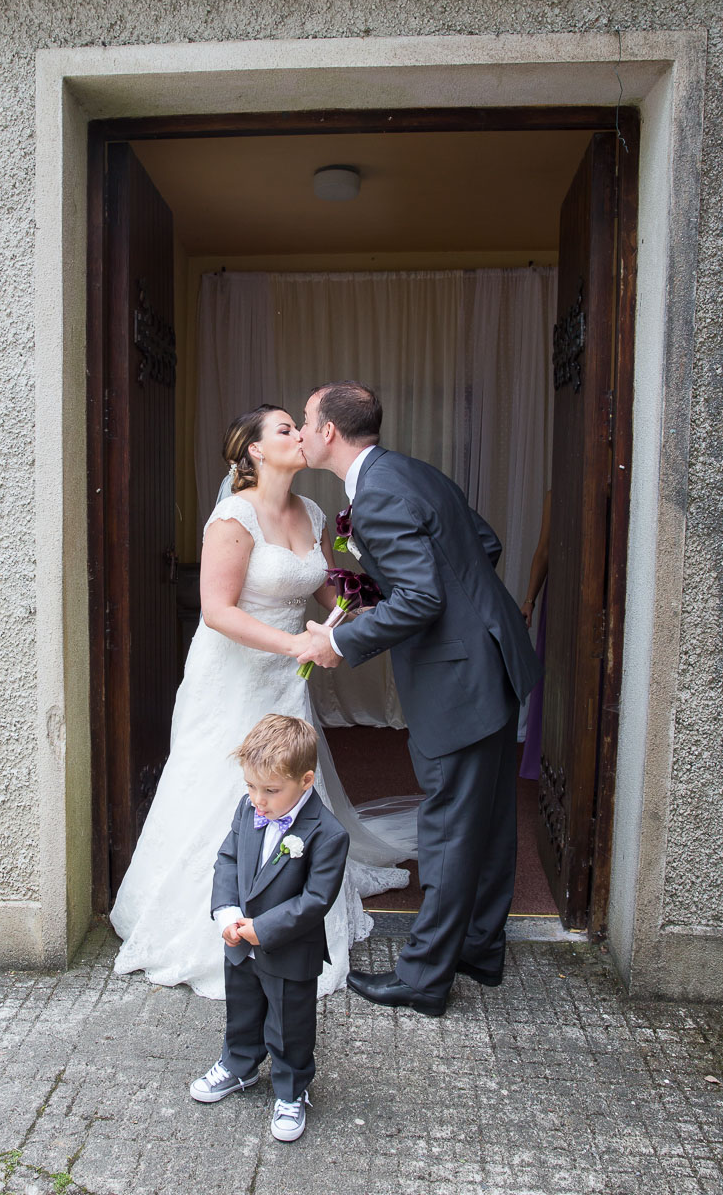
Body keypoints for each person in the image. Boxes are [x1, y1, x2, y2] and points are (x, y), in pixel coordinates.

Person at [110, 404, 407, 1000]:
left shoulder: (313, 512)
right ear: (253, 451)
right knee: (223, 781)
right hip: (234, 674)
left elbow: (323, 584)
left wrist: (362, 605)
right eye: (285, 429)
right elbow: (218, 612)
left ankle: (292, 901)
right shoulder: (233, 517)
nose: (299, 435)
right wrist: (295, 641)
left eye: (298, 426)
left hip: (286, 677)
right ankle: (212, 916)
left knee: (292, 778)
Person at [297, 381, 542, 1016]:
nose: (301, 429)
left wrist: (341, 645)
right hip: (493, 659)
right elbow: (481, 544)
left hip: (459, 680)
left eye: (305, 419)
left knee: (449, 827)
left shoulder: (377, 495)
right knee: (486, 819)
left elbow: (423, 599)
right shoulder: (413, 474)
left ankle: (425, 978)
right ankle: (480, 949)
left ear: (328, 432)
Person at [190, 715, 348, 1142]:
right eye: (250, 787)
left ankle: (292, 1090)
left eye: (271, 791)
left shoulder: (328, 834)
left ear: (306, 780)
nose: (257, 800)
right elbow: (229, 859)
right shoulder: (249, 808)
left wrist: (265, 927)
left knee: (289, 1024)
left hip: (288, 948)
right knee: (242, 1010)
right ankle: (239, 1065)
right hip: (239, 941)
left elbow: (315, 900)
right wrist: (226, 911)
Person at [519, 490, 551, 780]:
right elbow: (544, 550)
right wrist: (530, 599)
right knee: (550, 671)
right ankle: (542, 755)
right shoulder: (556, 495)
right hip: (560, 587)